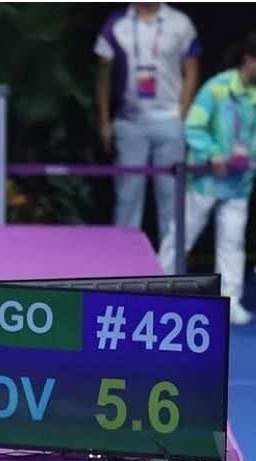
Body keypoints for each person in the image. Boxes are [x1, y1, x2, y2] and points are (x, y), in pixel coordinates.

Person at [159, 33, 256, 325]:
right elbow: (194, 127)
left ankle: (230, 300)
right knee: (181, 237)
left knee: (232, 244)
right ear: (249, 60)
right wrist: (213, 153)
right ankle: (154, 291)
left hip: (239, 184)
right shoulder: (217, 88)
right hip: (205, 181)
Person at [95, 3, 200, 258]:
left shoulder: (180, 23)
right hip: (130, 122)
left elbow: (192, 70)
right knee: (127, 198)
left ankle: (171, 268)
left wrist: (182, 117)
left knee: (171, 200)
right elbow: (103, 75)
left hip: (170, 121)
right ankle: (122, 264)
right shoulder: (116, 23)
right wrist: (105, 122)